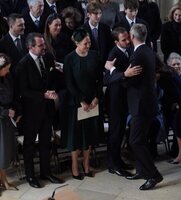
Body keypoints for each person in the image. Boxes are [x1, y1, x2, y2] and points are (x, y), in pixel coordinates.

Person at [16, 32, 63, 188]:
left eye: (44, 44)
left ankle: (46, 172)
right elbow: (23, 91)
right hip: (31, 112)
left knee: (45, 143)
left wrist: (52, 91)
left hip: (47, 109)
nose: (44, 47)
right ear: (31, 47)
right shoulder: (23, 65)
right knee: (29, 145)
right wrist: (43, 95)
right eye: (40, 45)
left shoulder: (48, 58)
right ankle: (30, 176)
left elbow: (53, 79)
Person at [62, 28, 103, 180]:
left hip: (93, 101)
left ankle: (86, 165)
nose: (88, 45)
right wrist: (81, 100)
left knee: (89, 135)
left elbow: (100, 79)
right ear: (77, 43)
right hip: (76, 103)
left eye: (89, 42)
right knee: (76, 136)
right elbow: (69, 83)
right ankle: (74, 166)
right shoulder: (69, 58)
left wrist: (96, 97)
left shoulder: (94, 55)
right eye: (85, 43)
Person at [127, 23, 163, 190]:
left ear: (132, 36)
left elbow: (131, 81)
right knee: (140, 139)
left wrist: (117, 73)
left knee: (135, 142)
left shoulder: (137, 55)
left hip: (141, 106)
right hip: (149, 103)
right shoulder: (148, 50)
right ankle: (142, 170)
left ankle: (154, 174)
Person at [104, 27, 142, 177]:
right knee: (115, 132)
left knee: (121, 132)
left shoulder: (130, 49)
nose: (127, 41)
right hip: (115, 99)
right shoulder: (113, 53)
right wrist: (123, 74)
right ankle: (112, 164)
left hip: (125, 97)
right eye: (123, 40)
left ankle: (118, 160)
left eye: (128, 38)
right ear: (116, 42)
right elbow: (108, 79)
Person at [0, 53, 18, 191]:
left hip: (6, 120)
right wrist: (5, 112)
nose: (8, 71)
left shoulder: (7, 77)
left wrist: (13, 109)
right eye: (6, 68)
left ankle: (4, 180)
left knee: (4, 152)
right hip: (2, 117)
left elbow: (13, 94)